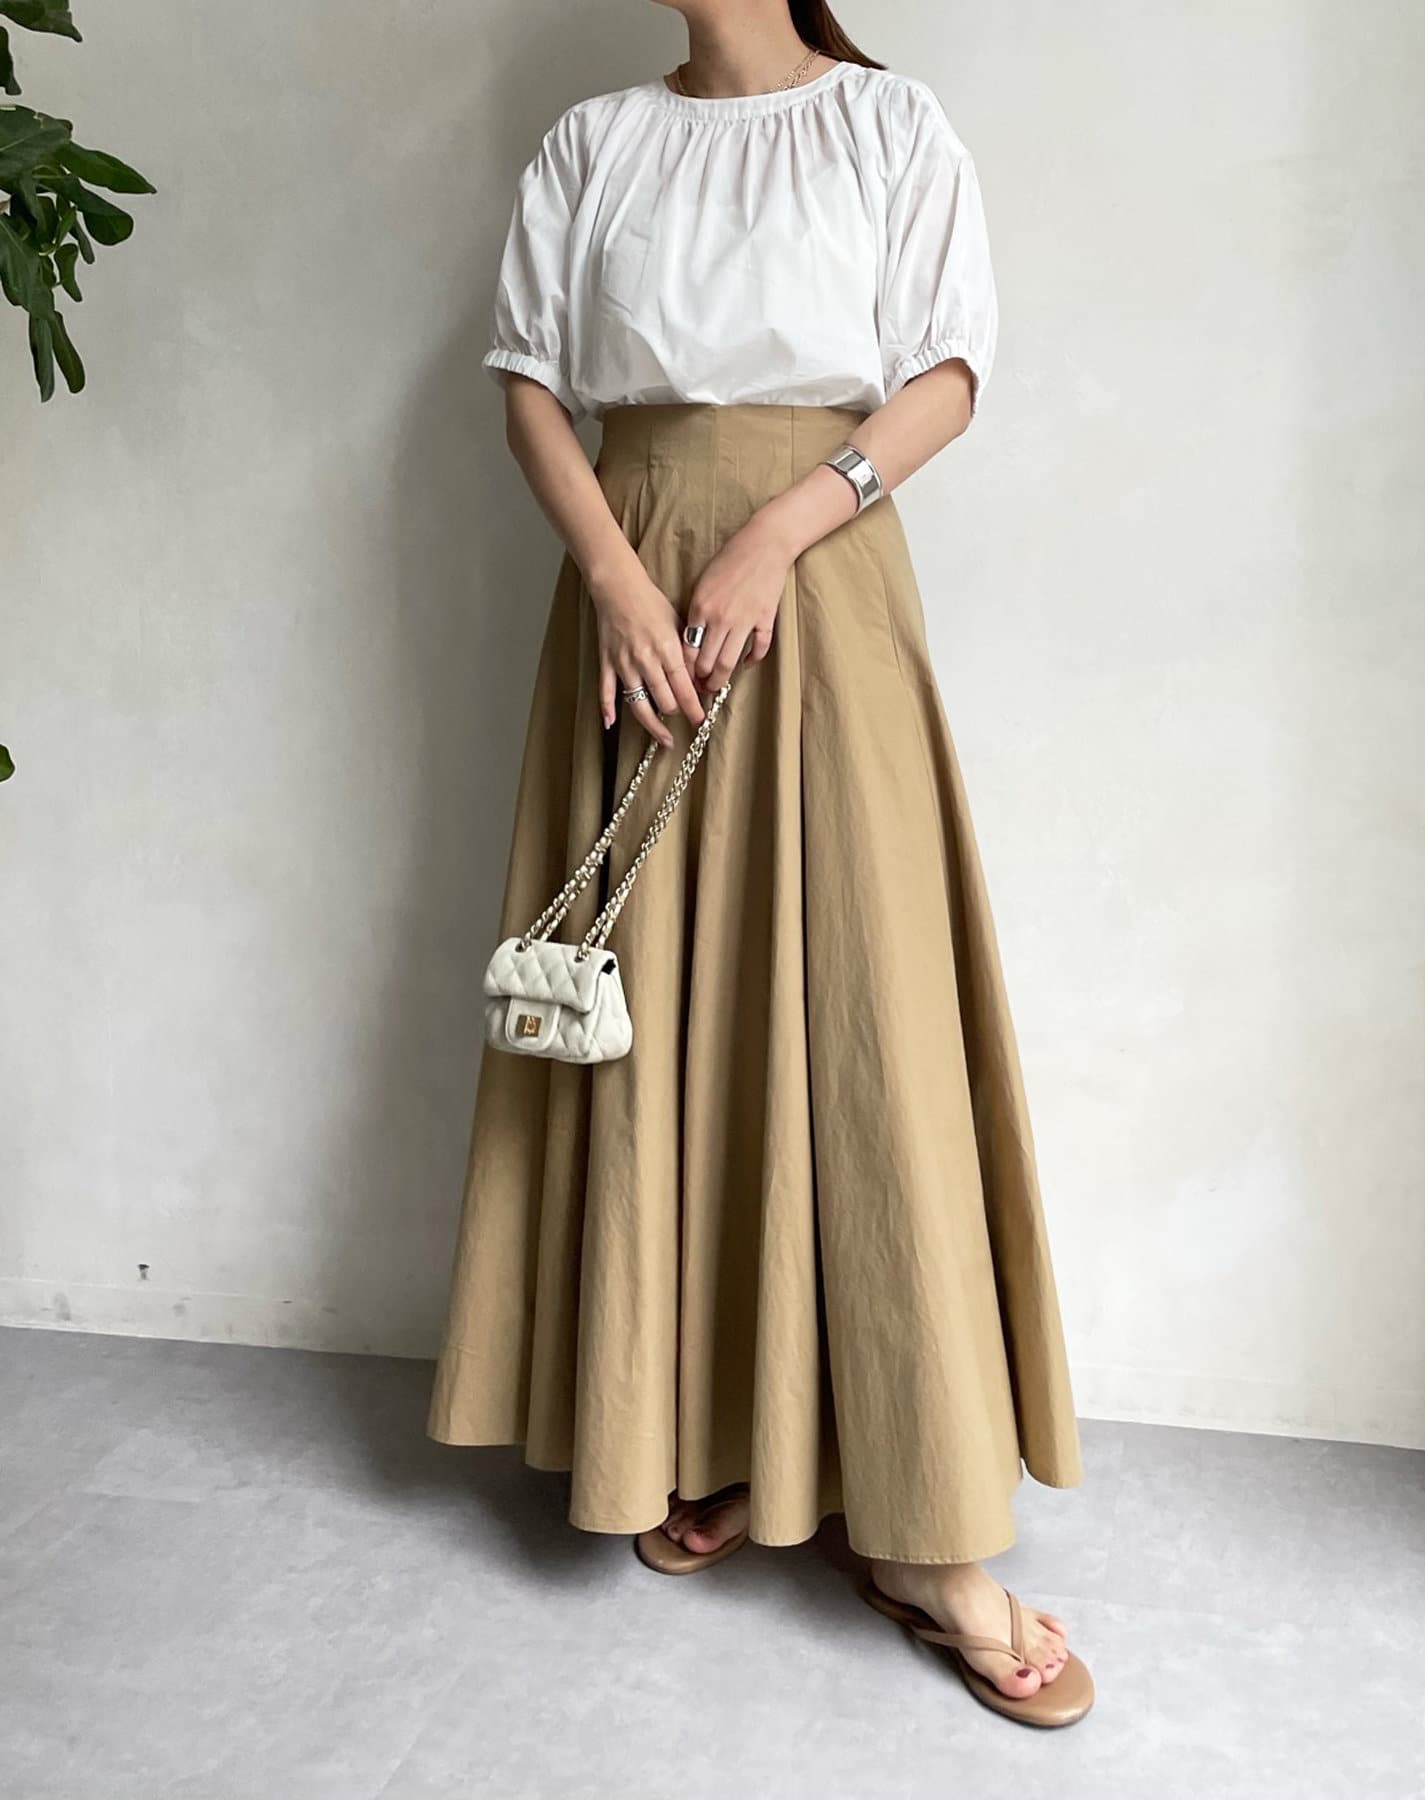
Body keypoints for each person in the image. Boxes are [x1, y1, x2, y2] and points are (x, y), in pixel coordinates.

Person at [428, 0, 1092, 1728]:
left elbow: (949, 371)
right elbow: (528, 381)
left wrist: (784, 529)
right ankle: (707, 1426)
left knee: (862, 1018)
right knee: (662, 1013)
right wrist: (621, 581)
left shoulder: (885, 125)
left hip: (823, 576)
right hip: (634, 591)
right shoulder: (595, 142)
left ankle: (924, 1529)